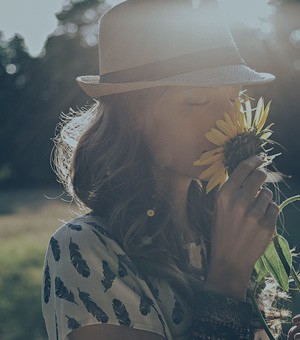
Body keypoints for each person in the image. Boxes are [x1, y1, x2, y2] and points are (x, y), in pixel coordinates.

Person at [41, 0, 300, 339]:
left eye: (236, 99)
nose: (230, 121)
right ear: (133, 115)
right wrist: (228, 275)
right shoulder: (85, 251)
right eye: (196, 101)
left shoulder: (216, 229)